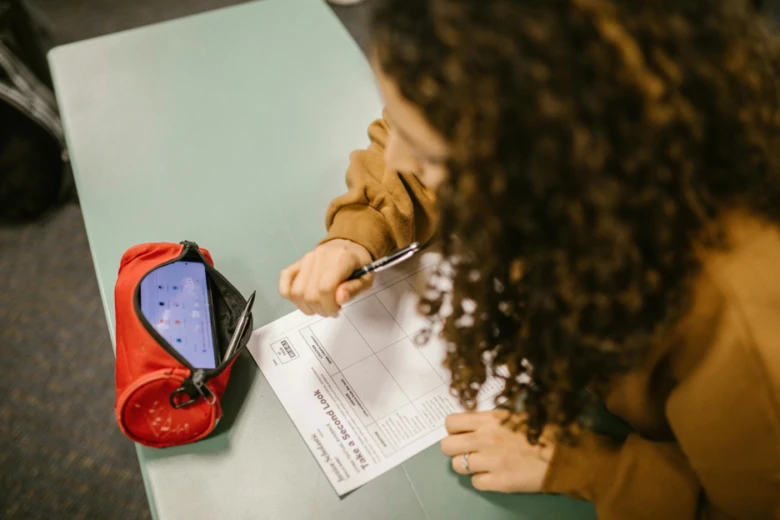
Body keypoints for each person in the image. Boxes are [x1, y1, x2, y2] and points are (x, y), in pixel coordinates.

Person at [279, 0, 780, 517]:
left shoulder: (740, 334)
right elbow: (417, 129)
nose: (399, 159)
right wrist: (359, 232)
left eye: (430, 156)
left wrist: (592, 468)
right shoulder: (537, 120)